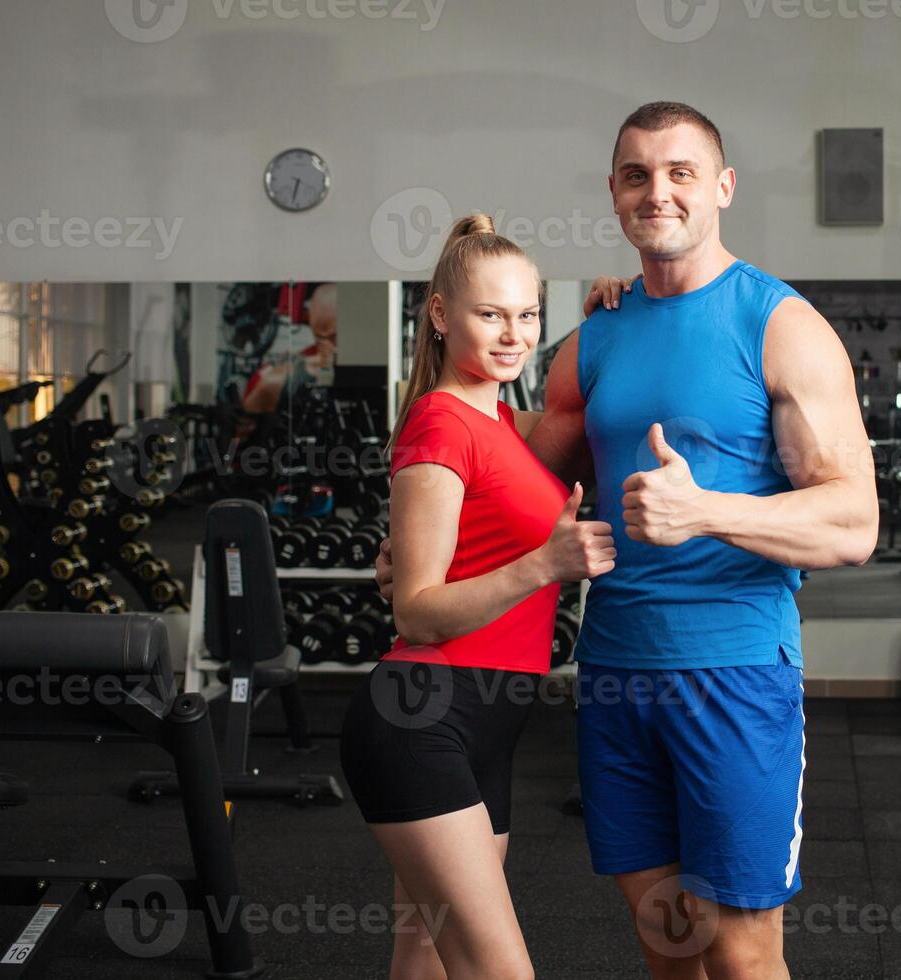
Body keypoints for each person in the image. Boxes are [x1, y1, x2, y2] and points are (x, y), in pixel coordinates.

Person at [378, 102, 879, 979]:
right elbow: (500, 465)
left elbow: (854, 523)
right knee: (665, 934)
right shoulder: (598, 337)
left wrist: (708, 511)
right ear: (614, 192)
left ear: (721, 187)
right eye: (638, 174)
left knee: (744, 949)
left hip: (734, 675)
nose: (660, 191)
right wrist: (418, 540)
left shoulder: (780, 325)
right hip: (614, 676)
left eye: (682, 172)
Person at [340, 214, 616, 980]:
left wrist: (611, 319)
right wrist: (544, 565)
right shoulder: (439, 423)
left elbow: (572, 417)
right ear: (438, 313)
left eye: (527, 315)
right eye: (489, 314)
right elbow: (416, 609)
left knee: (424, 950)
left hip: (488, 722)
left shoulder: (495, 417)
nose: (512, 335)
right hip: (423, 717)